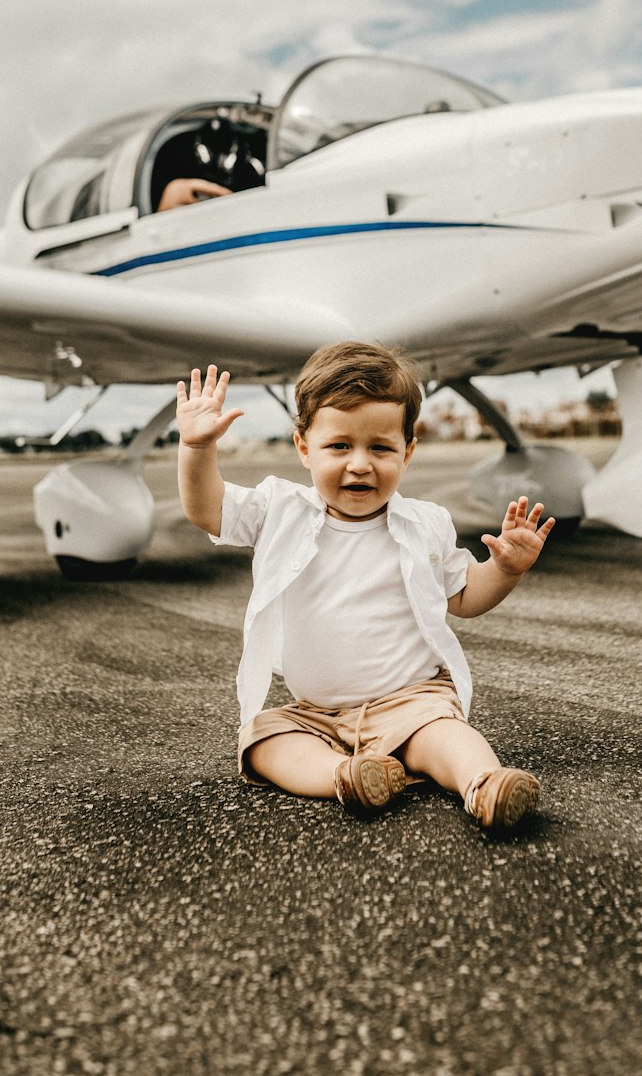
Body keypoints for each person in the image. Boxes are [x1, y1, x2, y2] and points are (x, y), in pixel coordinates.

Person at [176, 342, 554, 835]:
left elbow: (463, 599)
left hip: (410, 700)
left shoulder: (426, 523)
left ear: (408, 451)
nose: (360, 464)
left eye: (380, 447)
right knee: (262, 738)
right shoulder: (279, 510)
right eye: (339, 446)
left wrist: (505, 570)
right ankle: (345, 775)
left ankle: (484, 785)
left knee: (443, 734)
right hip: (316, 713)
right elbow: (207, 508)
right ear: (304, 447)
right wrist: (197, 448)